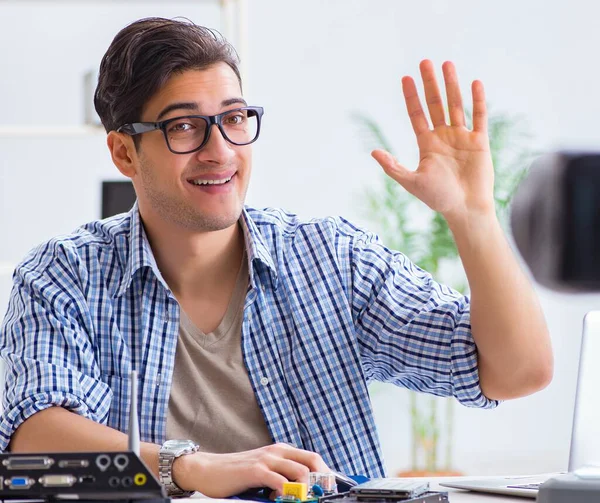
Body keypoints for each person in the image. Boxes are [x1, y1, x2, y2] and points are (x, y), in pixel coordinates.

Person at [0, 16, 552, 498]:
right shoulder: (61, 277)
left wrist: (473, 215)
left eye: (235, 119)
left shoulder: (331, 257)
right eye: (184, 126)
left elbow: (516, 372)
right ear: (124, 151)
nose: (221, 151)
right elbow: (35, 439)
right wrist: (191, 469)